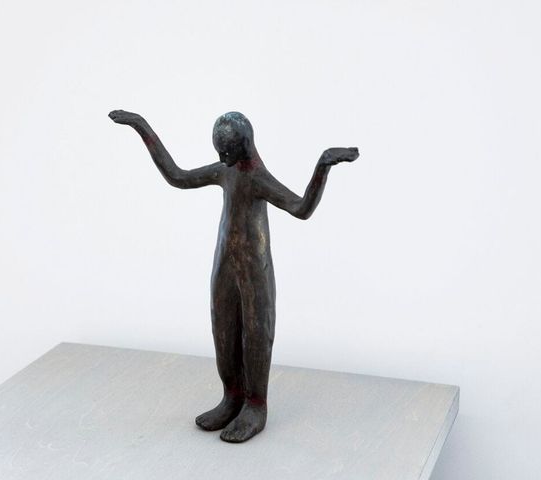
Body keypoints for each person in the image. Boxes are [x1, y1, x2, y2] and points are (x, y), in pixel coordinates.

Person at [109, 109, 358, 442]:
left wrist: (322, 166)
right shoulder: (225, 170)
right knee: (223, 329)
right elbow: (177, 176)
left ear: (245, 145)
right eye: (218, 151)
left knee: (255, 334)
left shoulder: (257, 178)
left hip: (254, 269)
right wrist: (141, 126)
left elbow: (301, 208)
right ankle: (232, 397)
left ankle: (255, 406)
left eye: (226, 151)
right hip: (225, 263)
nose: (221, 158)